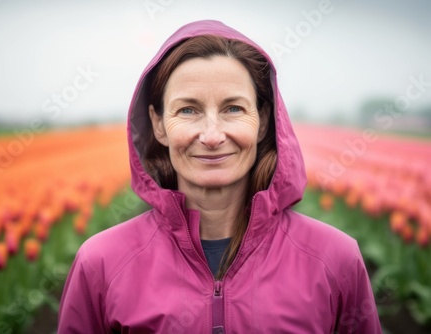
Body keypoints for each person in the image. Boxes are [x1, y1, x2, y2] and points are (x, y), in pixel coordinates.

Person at [58, 20, 382, 333]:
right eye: (188, 110)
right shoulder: (101, 263)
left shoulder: (335, 260)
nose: (212, 136)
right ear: (158, 124)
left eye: (233, 109)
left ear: (264, 120)